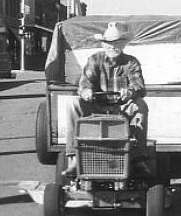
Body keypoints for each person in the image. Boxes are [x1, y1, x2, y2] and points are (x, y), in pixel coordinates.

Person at [63, 21, 149, 175]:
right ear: (103, 44)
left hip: (121, 108)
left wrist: (130, 91)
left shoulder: (131, 62)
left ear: (123, 44)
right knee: (72, 103)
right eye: (108, 43)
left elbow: (139, 85)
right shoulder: (95, 60)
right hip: (96, 106)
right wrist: (87, 91)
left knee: (141, 105)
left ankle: (139, 158)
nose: (112, 46)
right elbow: (85, 82)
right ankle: (73, 157)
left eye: (116, 43)